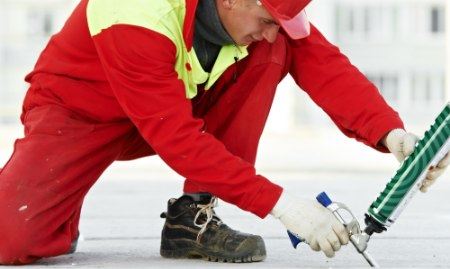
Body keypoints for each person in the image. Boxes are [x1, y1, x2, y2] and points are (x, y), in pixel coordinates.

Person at [0, 0, 448, 265]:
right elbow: (176, 138)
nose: (272, 30)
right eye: (267, 18)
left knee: (273, 52)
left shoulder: (263, 15)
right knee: (12, 239)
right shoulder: (136, 10)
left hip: (172, 101)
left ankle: (192, 218)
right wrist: (283, 206)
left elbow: (325, 65)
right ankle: (55, 210)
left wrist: (391, 135)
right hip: (81, 113)